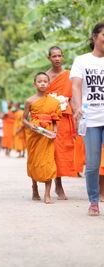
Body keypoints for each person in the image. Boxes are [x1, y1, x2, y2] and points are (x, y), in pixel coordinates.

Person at [70, 22, 104, 216]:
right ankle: (93, 201)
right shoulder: (82, 61)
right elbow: (76, 86)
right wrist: (77, 108)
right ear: (94, 37)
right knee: (92, 164)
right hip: (90, 118)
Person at [22, 72, 62, 204]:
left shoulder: (54, 102)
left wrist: (55, 131)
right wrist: (30, 126)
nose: (43, 83)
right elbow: (24, 120)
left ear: (49, 83)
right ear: (35, 84)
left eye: (45, 81)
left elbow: (55, 120)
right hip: (35, 134)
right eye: (40, 81)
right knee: (34, 160)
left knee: (48, 162)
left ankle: (47, 195)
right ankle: (34, 188)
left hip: (48, 134)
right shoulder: (30, 101)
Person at [45, 46, 78, 200]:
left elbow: (73, 98)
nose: (57, 59)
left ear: (63, 57)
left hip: (64, 118)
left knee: (62, 151)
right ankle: (54, 185)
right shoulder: (45, 77)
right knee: (50, 152)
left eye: (59, 56)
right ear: (49, 58)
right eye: (54, 56)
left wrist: (77, 119)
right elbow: (40, 97)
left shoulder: (69, 76)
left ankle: (59, 184)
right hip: (49, 119)